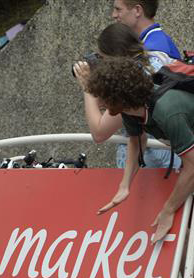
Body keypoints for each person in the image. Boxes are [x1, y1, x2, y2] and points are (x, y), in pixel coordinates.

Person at [87, 57, 194, 243]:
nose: (100, 103)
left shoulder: (166, 110)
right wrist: (124, 185)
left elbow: (192, 168)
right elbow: (137, 142)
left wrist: (168, 210)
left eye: (102, 97)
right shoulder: (132, 109)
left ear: (117, 98)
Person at [73, 22, 179, 168]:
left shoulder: (131, 82)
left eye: (102, 57)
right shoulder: (151, 65)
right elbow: (107, 106)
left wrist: (87, 86)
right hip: (170, 157)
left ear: (114, 57)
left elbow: (99, 132)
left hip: (153, 163)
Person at [112, 0, 180, 60]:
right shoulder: (152, 41)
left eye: (118, 9)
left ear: (137, 10)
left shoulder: (154, 51)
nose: (114, 15)